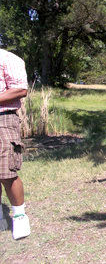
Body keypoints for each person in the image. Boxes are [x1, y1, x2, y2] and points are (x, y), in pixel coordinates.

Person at [0, 48, 31, 240]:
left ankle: (19, 216)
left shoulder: (8, 58)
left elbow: (20, 90)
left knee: (6, 172)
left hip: (3, 119)